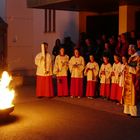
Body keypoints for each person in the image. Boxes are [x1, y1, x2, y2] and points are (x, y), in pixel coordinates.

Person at [123, 45, 140, 117]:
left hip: (133, 79)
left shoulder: (138, 57)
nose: (128, 50)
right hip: (128, 80)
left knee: (133, 95)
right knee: (127, 95)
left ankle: (134, 112)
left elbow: (138, 69)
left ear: (133, 49)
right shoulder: (131, 57)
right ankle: (128, 110)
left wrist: (128, 67)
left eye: (130, 49)